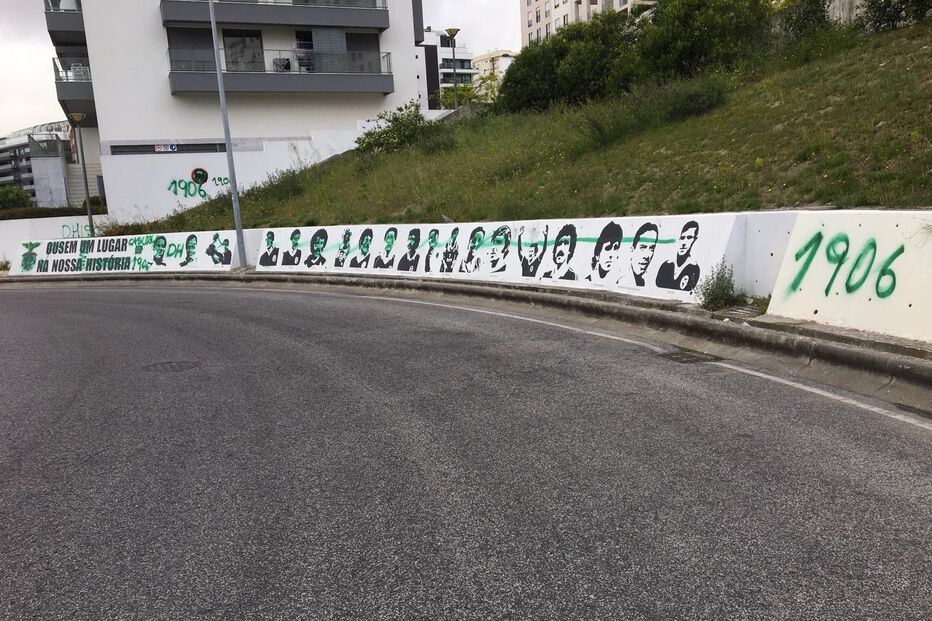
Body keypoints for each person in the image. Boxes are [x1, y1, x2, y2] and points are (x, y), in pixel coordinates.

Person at [656, 221, 701, 291]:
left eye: (689, 238)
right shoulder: (666, 265)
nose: (684, 243)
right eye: (682, 238)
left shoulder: (694, 268)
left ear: (695, 240)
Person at [628, 222, 659, 287]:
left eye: (651, 248)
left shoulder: (644, 282)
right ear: (632, 250)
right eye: (642, 247)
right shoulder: (621, 281)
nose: (647, 255)